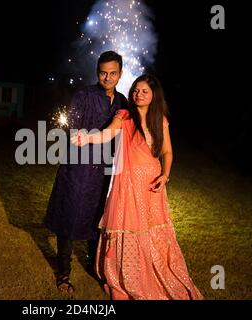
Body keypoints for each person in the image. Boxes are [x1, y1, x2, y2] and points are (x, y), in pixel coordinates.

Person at [72, 74, 203, 300]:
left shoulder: (159, 120)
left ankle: (154, 269)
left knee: (150, 228)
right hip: (127, 182)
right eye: (135, 91)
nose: (138, 95)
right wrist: (87, 139)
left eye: (144, 91)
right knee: (128, 227)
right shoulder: (124, 116)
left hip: (150, 183)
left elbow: (168, 152)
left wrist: (165, 175)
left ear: (154, 95)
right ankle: (127, 274)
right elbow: (107, 134)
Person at [43, 51, 128, 293]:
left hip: (106, 170)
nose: (107, 77)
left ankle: (94, 267)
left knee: (97, 218)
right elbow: (72, 128)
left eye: (113, 73)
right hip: (79, 166)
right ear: (97, 72)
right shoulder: (83, 95)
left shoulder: (122, 101)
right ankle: (63, 273)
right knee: (70, 216)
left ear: (120, 74)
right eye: (103, 72)